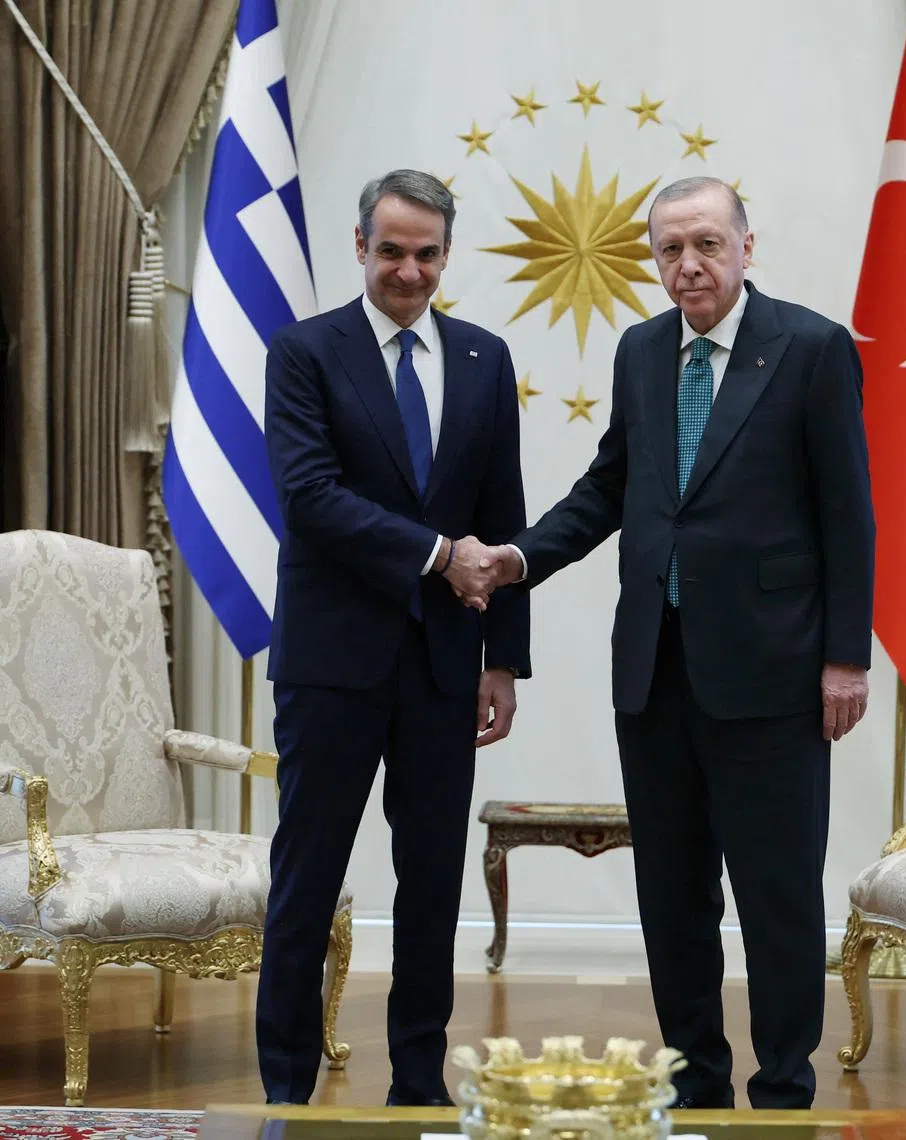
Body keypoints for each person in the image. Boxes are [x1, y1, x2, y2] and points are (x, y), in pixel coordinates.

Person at [476, 177, 874, 1109]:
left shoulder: (813, 348)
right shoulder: (642, 350)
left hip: (775, 673)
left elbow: (848, 514)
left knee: (777, 896)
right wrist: (518, 558)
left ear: (746, 246)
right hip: (655, 672)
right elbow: (608, 487)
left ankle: (783, 1094)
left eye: (706, 244)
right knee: (674, 895)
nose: (688, 264)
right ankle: (696, 1088)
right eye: (669, 249)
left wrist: (846, 657)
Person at [257, 169, 529, 1107]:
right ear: (360, 246)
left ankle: (418, 1085)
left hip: (446, 666)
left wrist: (504, 659)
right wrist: (437, 553)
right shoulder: (305, 351)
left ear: (446, 255)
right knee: (308, 878)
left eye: (426, 254)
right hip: (332, 664)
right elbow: (308, 497)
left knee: (431, 885)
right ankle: (285, 1091)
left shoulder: (486, 358)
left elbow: (502, 513)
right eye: (391, 251)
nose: (408, 271)